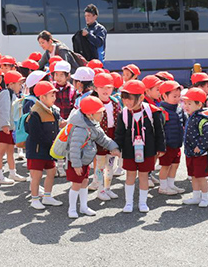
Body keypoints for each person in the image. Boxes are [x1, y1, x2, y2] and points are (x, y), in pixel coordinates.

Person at [114, 80, 166, 213]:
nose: (127, 102)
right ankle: (128, 203)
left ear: (141, 97)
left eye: (130, 99)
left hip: (148, 149)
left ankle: (143, 203)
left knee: (144, 176)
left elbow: (159, 132)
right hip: (129, 149)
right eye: (124, 99)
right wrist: (116, 148)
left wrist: (161, 148)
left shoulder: (153, 112)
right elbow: (119, 133)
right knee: (130, 175)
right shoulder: (123, 114)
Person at [66, 96, 119, 219]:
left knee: (84, 182)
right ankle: (72, 208)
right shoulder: (80, 129)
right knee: (76, 184)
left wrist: (114, 147)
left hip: (84, 160)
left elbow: (103, 138)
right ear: (90, 114)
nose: (102, 114)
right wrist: (76, 165)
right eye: (99, 112)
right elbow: (74, 149)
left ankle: (83, 206)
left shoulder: (93, 124)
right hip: (76, 162)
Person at [25, 81, 63, 210]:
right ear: (42, 97)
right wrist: (52, 144)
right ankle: (34, 198)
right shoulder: (35, 112)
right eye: (51, 95)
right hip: (37, 150)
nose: (54, 98)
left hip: (48, 148)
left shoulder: (52, 110)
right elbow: (36, 135)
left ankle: (47, 196)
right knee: (37, 175)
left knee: (51, 172)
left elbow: (58, 126)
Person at [89, 73, 121, 201]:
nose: (105, 90)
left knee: (110, 164)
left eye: (108, 87)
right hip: (99, 136)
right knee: (100, 164)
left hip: (113, 135)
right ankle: (100, 189)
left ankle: (107, 188)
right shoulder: (94, 102)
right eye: (101, 87)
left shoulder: (114, 102)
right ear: (95, 88)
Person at [0, 70, 26, 185]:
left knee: (10, 151)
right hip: (5, 128)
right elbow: (3, 110)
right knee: (1, 151)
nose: (20, 86)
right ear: (11, 84)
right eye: (18, 83)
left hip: (10, 127)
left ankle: (12, 173)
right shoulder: (5, 93)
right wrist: (5, 125)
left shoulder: (11, 94)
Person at [157, 81, 186, 195]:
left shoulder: (179, 109)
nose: (177, 99)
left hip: (177, 144)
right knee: (165, 166)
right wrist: (160, 147)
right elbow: (159, 131)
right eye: (174, 96)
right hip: (166, 146)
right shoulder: (161, 112)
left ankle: (171, 185)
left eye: (179, 96)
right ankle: (163, 187)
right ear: (164, 96)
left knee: (175, 165)